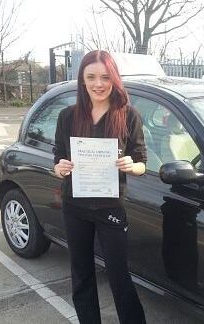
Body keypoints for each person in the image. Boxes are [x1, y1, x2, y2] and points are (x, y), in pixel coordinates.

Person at [53, 50, 147, 324]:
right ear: (82, 80)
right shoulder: (67, 116)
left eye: (105, 77)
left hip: (110, 208)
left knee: (119, 278)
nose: (98, 83)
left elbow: (142, 162)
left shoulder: (129, 116)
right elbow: (58, 158)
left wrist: (132, 165)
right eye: (91, 77)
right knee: (81, 275)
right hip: (75, 207)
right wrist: (59, 168)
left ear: (114, 79)